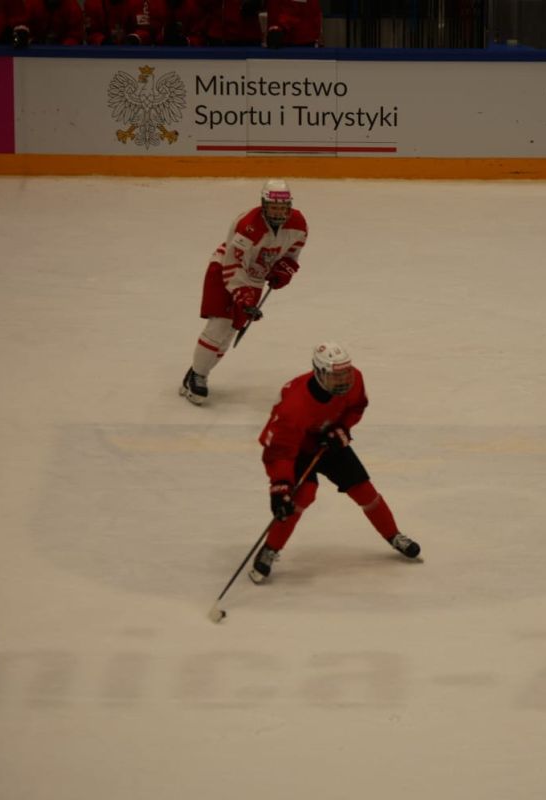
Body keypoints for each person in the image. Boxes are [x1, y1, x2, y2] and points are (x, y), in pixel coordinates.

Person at [248, 342, 421, 584]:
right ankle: (270, 548)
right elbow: (279, 451)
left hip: (328, 442)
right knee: (301, 496)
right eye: (336, 376)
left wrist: (341, 429)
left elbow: (357, 407)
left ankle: (394, 535)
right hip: (296, 450)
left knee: (364, 490)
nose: (343, 381)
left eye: (345, 373)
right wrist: (280, 486)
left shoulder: (355, 379)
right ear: (319, 373)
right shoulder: (293, 406)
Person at [179, 179, 307, 405]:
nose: (279, 212)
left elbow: (292, 253)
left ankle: (197, 371)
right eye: (274, 207)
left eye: (283, 207)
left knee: (230, 331)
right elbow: (233, 263)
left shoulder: (298, 223)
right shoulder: (247, 225)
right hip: (225, 270)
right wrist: (243, 295)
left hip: (255, 279)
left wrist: (284, 269)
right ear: (264, 205)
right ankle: (198, 375)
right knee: (220, 324)